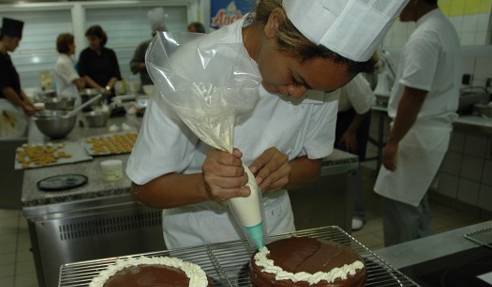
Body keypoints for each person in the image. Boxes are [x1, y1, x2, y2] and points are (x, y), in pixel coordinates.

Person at [126, 0, 408, 249]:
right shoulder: (191, 68)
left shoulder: (323, 81)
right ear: (274, 25)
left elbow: (311, 167)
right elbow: (143, 190)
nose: (298, 94)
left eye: (312, 90)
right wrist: (206, 186)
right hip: (202, 250)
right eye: (297, 79)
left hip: (278, 238)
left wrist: (286, 172)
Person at [374, 0, 461, 246]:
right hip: (431, 136)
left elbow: (414, 95)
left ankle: (403, 274)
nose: (398, 8)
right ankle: (423, 268)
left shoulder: (425, 36)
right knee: (417, 206)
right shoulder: (443, 28)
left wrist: (393, 142)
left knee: (401, 210)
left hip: (416, 135)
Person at [0, 17, 39, 137]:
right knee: (9, 148)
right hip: (2, 111)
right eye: (16, 41)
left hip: (9, 108)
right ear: (6, 38)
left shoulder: (5, 57)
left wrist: (31, 106)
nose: (17, 45)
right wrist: (24, 106)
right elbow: (6, 90)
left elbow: (16, 88)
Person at [335, 73, 376, 232]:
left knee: (352, 164)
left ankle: (357, 212)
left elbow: (364, 106)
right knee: (336, 164)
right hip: (339, 116)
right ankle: (341, 209)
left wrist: (351, 132)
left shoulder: (349, 75)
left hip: (356, 116)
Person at [78, 25, 122, 99]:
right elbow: (84, 76)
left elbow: (115, 75)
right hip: (92, 95)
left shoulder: (110, 53)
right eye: (89, 39)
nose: (90, 42)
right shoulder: (84, 54)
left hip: (109, 93)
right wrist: (100, 90)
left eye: (93, 39)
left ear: (100, 39)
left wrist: (107, 89)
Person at [54, 33, 95, 105]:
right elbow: (80, 84)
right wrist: (85, 77)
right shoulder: (64, 63)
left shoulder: (66, 61)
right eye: (73, 44)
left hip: (71, 101)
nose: (75, 46)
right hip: (69, 101)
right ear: (69, 46)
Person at [130, 8, 166, 88]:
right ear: (153, 35)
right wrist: (148, 64)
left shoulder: (170, 46)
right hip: (148, 86)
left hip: (167, 87)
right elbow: (133, 66)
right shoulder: (144, 46)